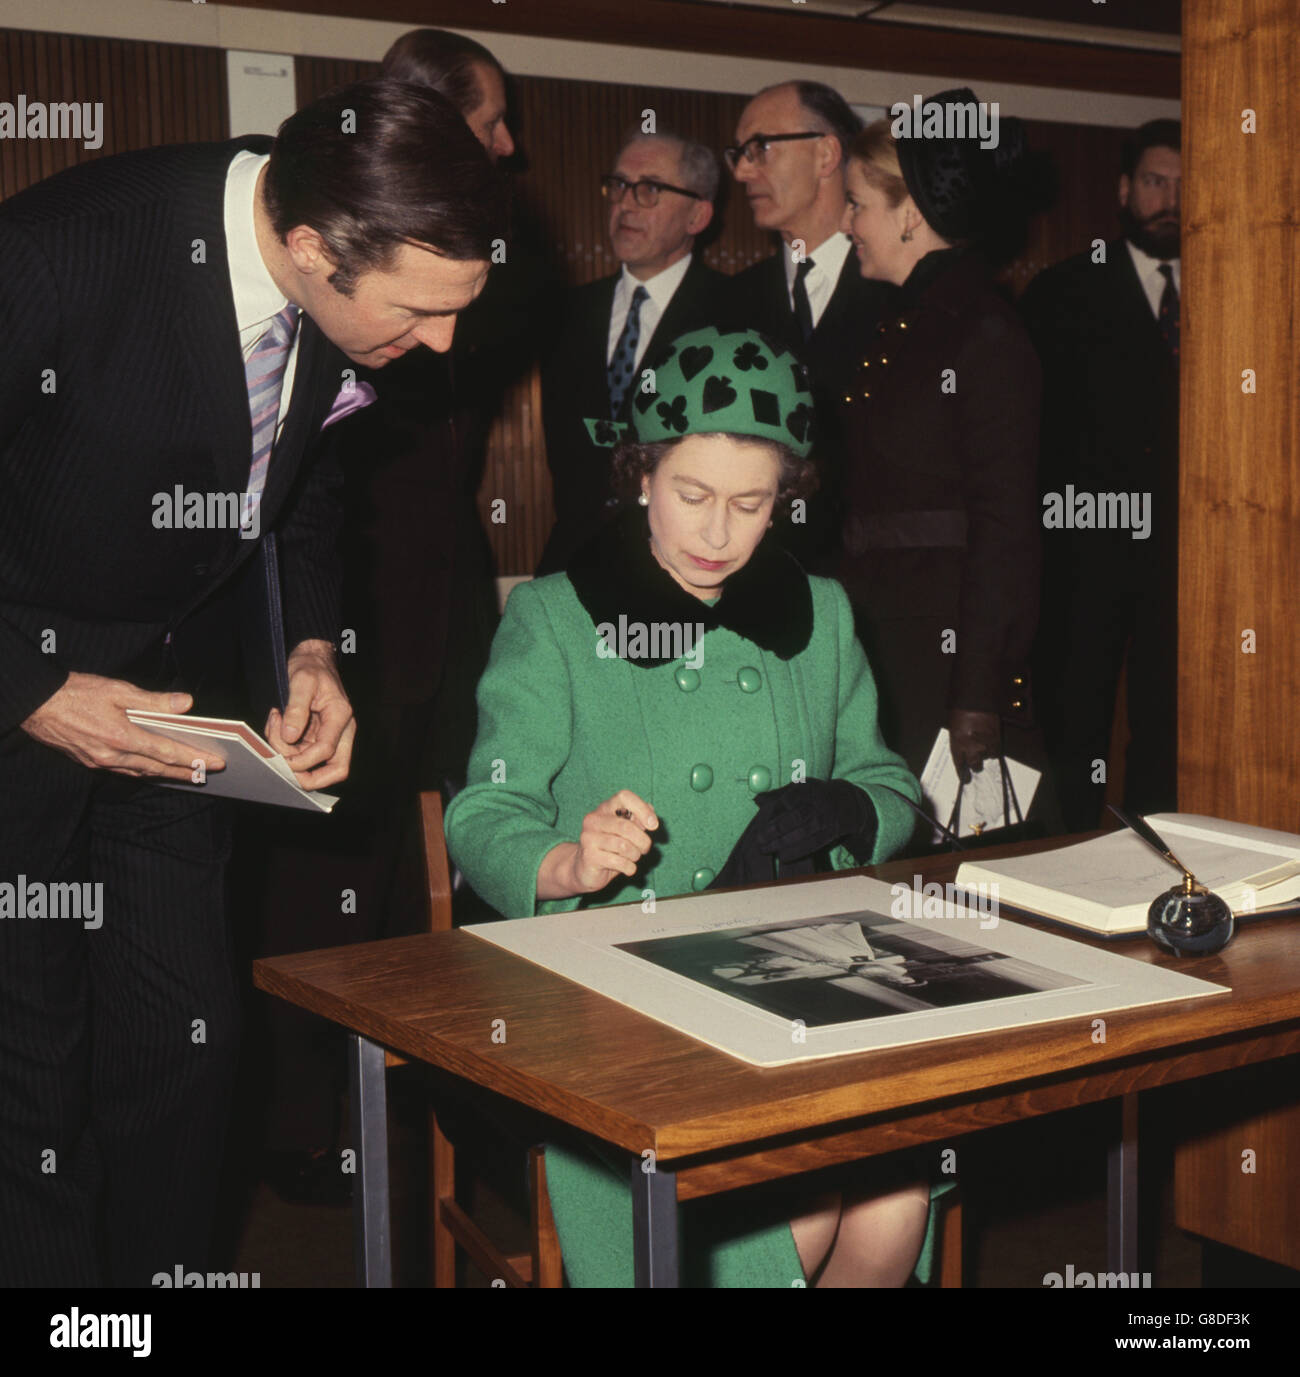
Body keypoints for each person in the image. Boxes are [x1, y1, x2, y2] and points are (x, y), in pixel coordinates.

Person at [0, 78, 505, 1286]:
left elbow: (300, 475)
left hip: (177, 709)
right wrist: (37, 683)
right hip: (18, 697)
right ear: (311, 249)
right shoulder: (55, 257)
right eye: (420, 312)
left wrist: (310, 644)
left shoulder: (321, 230)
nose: (442, 346)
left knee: (185, 1047)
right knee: (29, 1072)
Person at [447, 327, 938, 1287]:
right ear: (640, 475)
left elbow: (892, 786)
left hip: (796, 977)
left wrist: (846, 808)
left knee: (892, 1201)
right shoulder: (556, 616)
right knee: (803, 1203)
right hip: (612, 998)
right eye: (692, 496)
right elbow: (484, 812)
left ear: (783, 501)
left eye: (750, 505)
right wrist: (567, 863)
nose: (717, 535)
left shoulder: (821, 611)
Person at [833, 90, 1045, 828]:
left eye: (856, 204)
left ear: (911, 213)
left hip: (943, 660)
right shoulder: (905, 321)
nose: (845, 222)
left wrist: (977, 691)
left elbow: (1004, 527)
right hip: (888, 644)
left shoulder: (983, 331)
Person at [1020, 120, 1181, 831]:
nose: (1170, 199)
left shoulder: (1240, 292)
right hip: (1084, 553)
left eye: (1183, 186)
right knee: (1074, 719)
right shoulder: (1062, 292)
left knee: (1170, 722)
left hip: (1187, 558)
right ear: (1123, 189)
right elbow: (1032, 436)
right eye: (1155, 181)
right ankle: (1068, 859)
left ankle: (1162, 866)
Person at [536, 128, 732, 573]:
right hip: (573, 569)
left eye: (650, 189)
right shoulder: (566, 312)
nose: (624, 203)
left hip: (687, 575)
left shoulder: (737, 313)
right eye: (619, 186)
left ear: (697, 216)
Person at [727, 80, 898, 567]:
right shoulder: (726, 303)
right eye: (738, 153)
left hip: (880, 596)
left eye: (760, 148)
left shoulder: (901, 296)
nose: (741, 171)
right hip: (759, 588)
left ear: (826, 155)